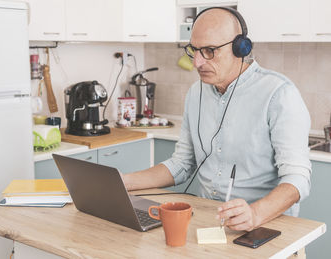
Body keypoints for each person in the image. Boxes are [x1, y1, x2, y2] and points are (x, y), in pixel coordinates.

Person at [123, 7, 311, 232]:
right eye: (194, 50)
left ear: (240, 48)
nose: (197, 63)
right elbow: (182, 164)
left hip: (265, 226)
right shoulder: (196, 92)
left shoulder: (279, 94)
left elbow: (297, 178)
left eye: (210, 51)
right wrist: (124, 182)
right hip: (208, 223)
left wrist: (255, 214)